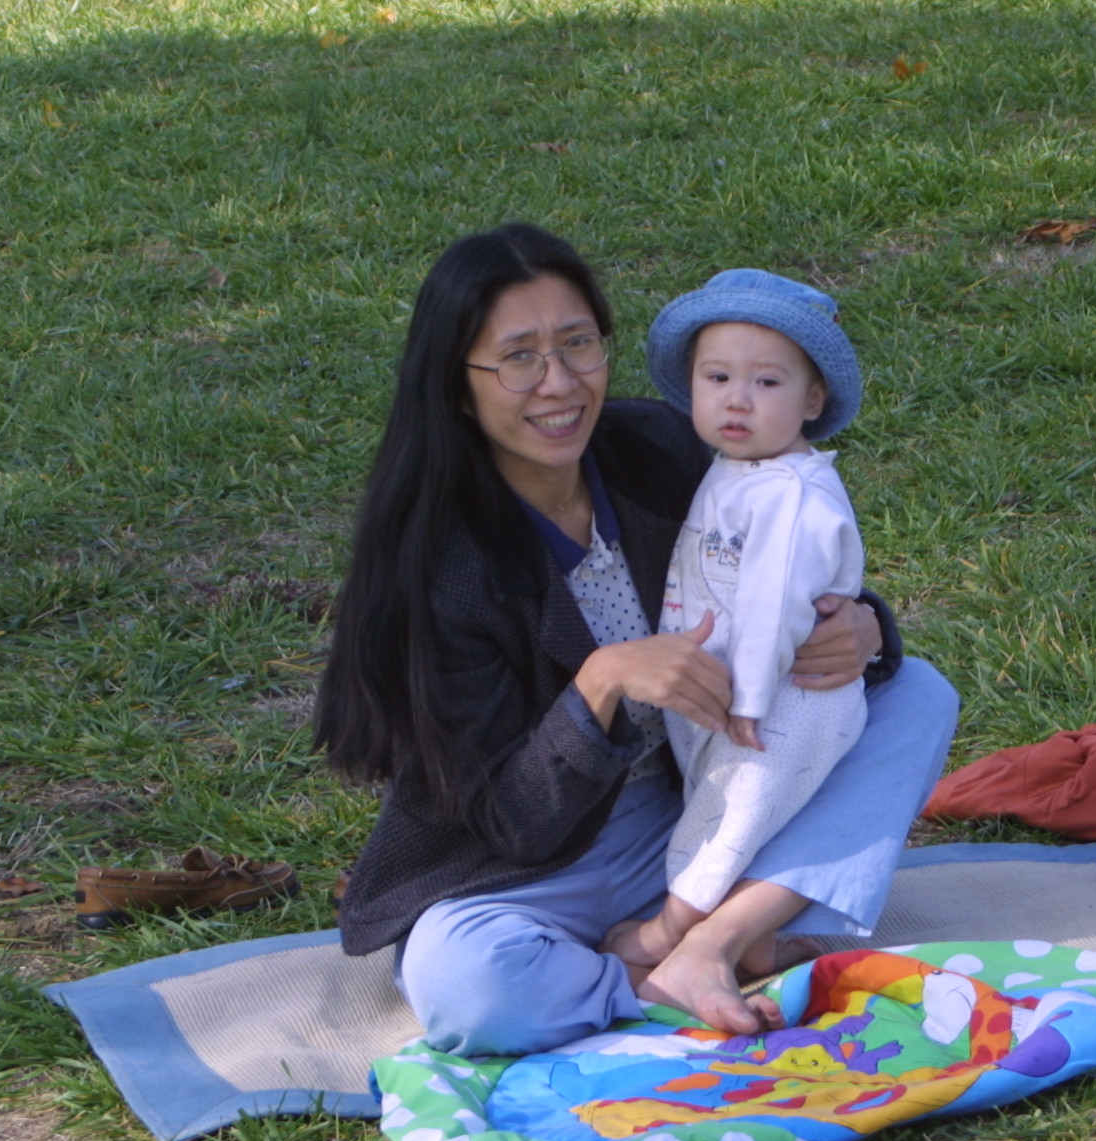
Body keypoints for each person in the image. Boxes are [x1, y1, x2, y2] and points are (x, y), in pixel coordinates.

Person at [315, 223, 957, 1055]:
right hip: (527, 865)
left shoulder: (659, 449)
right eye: (519, 358)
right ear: (457, 385)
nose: (560, 383)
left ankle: (714, 943)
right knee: (471, 986)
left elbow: (778, 569)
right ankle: (652, 976)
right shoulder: (442, 564)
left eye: (578, 344)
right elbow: (508, 822)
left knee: (916, 696)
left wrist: (864, 625)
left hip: (692, 801)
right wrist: (599, 684)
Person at [617, 270, 870, 991]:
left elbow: (772, 606)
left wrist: (752, 700)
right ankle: (754, 942)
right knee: (720, 796)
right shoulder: (740, 468)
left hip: (790, 698)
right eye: (718, 377)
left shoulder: (791, 492)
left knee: (735, 807)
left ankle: (671, 928)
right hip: (734, 690)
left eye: (767, 383)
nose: (737, 399)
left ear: (812, 401)